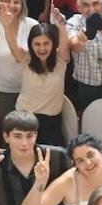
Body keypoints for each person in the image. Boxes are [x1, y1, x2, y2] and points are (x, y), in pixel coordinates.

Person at [16, 14, 70, 148]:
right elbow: (11, 41)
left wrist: (61, 26)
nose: (42, 48)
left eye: (46, 43)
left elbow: (65, 43)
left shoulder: (60, 59)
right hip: (25, 119)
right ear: (31, 44)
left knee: (58, 159)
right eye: (37, 44)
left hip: (52, 121)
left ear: (53, 43)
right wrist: (7, 25)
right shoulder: (25, 58)